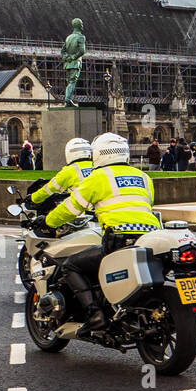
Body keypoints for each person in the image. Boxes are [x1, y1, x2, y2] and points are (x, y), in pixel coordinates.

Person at [43, 132, 160, 330]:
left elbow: (71, 208)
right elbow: (146, 204)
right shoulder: (143, 177)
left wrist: (48, 222)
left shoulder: (98, 177)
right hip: (149, 239)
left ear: (98, 154)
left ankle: (94, 314)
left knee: (70, 266)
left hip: (119, 241)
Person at [30, 138, 92, 209]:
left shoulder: (69, 170)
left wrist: (33, 198)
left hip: (81, 212)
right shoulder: (96, 166)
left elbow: (50, 188)